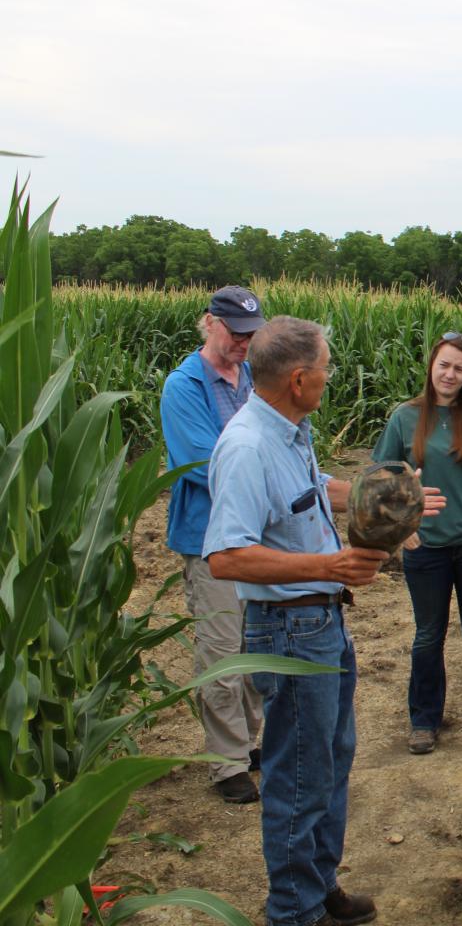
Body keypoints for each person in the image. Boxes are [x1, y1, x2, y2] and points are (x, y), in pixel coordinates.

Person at [205, 316, 439, 926]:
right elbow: (227, 554)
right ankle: (293, 911)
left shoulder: (291, 430)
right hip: (287, 630)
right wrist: (329, 563)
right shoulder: (248, 445)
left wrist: (388, 491)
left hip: (321, 622)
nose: (332, 378)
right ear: (300, 378)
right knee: (300, 775)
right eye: (328, 369)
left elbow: (314, 489)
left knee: (331, 760)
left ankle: (318, 882)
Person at [372, 331, 462, 755]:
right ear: (431, 366)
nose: (450, 375)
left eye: (460, 369)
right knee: (428, 635)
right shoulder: (405, 418)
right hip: (426, 547)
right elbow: (382, 476)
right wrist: (401, 528)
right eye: (444, 365)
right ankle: (424, 719)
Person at [160, 284, 267, 805]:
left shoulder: (250, 378)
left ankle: (250, 743)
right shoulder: (183, 387)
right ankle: (227, 762)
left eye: (252, 334)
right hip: (210, 539)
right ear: (210, 323)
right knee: (222, 650)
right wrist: (266, 479)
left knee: (254, 643)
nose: (245, 343)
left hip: (254, 534)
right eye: (236, 333)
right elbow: (204, 463)